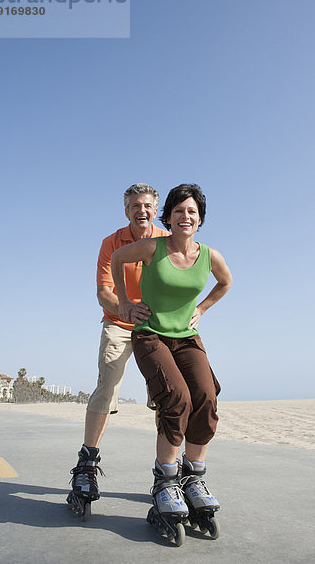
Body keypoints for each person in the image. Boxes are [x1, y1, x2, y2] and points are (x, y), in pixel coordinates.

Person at [111, 183, 232, 537]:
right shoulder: (153, 247)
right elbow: (118, 259)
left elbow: (225, 283)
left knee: (207, 396)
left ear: (200, 219)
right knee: (176, 397)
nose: (185, 216)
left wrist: (202, 309)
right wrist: (124, 302)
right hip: (150, 334)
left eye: (192, 211)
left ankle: (193, 478)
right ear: (169, 216)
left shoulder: (210, 256)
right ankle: (165, 480)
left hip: (187, 336)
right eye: (179, 211)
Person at [68, 183, 170, 513]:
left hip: (156, 326)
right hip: (119, 322)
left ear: (156, 210)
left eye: (147, 205)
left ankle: (165, 473)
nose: (142, 210)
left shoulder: (166, 242)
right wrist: (124, 307)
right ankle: (87, 463)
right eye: (135, 205)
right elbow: (103, 292)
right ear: (126, 211)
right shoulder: (111, 243)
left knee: (165, 394)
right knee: (106, 384)